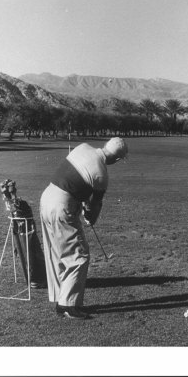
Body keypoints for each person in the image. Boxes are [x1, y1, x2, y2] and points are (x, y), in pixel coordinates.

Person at [39, 137, 128, 319]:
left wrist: (84, 207)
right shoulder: (102, 175)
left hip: (46, 198)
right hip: (61, 206)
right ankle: (67, 306)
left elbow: (78, 183)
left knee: (58, 252)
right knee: (78, 255)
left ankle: (60, 297)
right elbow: (94, 206)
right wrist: (90, 218)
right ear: (117, 159)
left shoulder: (82, 147)